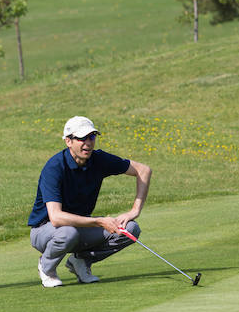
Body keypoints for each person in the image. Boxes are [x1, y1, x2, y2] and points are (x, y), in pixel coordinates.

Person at [28, 116, 152, 287]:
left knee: (130, 229)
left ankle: (80, 261)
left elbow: (144, 170)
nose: (88, 143)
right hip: (45, 229)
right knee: (68, 233)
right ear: (68, 141)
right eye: (81, 138)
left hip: (80, 227)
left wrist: (134, 211)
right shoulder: (54, 167)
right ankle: (47, 267)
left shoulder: (98, 159)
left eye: (91, 137)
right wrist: (99, 221)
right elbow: (56, 218)